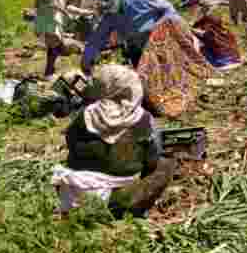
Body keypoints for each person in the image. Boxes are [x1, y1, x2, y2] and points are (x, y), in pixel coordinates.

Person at [52, 65, 176, 218]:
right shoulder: (143, 119)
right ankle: (126, 209)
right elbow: (152, 159)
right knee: (165, 164)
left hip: (74, 195)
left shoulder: (86, 113)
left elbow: (70, 141)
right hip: (115, 199)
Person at [82, 0, 212, 118]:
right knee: (146, 80)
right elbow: (96, 39)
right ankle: (158, 104)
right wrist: (86, 60)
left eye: (110, 6)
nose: (109, 11)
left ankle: (183, 96)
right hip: (137, 48)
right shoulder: (110, 17)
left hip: (161, 42)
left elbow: (168, 9)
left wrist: (160, 27)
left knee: (170, 75)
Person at [35, 0, 86, 78]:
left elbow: (39, 3)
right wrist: (64, 12)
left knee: (52, 44)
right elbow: (52, 3)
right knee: (56, 45)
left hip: (46, 18)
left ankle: (50, 69)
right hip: (51, 18)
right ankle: (49, 70)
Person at [189, 0, 241, 69]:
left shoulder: (209, 19)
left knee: (195, 40)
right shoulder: (218, 17)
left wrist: (190, 27)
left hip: (223, 61)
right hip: (235, 57)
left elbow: (206, 34)